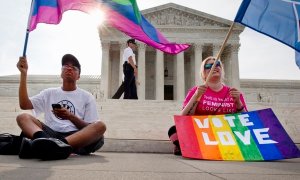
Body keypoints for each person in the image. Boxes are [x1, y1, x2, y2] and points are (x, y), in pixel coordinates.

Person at [16, 54, 106, 160]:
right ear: (61, 73)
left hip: (76, 136)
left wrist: (70, 117)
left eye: (74, 67)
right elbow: (24, 104)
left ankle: (55, 146)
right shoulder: (49, 93)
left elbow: (89, 127)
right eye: (65, 66)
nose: (69, 68)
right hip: (50, 135)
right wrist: (23, 74)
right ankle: (48, 144)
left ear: (78, 76)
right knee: (23, 117)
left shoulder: (87, 96)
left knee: (100, 126)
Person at [168, 56, 248, 155]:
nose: (214, 67)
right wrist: (196, 96)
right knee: (174, 130)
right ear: (203, 73)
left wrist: (238, 103)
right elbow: (183, 118)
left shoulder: (233, 92)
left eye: (217, 64)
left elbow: (247, 121)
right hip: (203, 133)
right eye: (209, 65)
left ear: (221, 70)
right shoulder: (195, 91)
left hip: (225, 133)